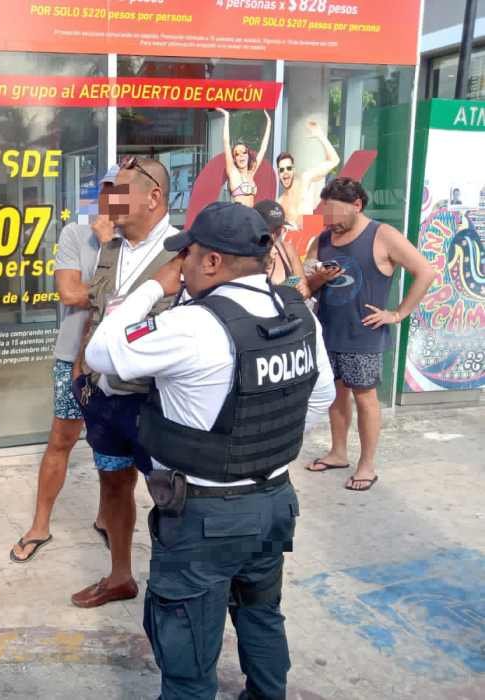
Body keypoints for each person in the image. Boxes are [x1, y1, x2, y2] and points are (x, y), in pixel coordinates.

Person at [85, 201, 336, 699]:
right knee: (261, 616)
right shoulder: (295, 309)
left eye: (188, 256)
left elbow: (101, 351)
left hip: (204, 518)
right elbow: (322, 395)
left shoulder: (194, 326)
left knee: (187, 657)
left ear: (213, 262)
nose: (182, 264)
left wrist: (157, 284)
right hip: (274, 501)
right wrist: (263, 449)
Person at [70, 155, 179, 608]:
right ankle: (119, 577)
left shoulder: (183, 253)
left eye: (120, 189)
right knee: (113, 483)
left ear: (153, 196)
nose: (110, 197)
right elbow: (96, 313)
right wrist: (81, 374)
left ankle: (175, 585)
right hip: (106, 401)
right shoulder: (110, 250)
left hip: (156, 408)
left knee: (171, 497)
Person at [9, 166, 118, 563]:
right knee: (61, 441)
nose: (113, 199)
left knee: (114, 448)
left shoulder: (139, 242)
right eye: (107, 190)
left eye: (121, 191)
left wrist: (109, 272)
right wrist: (112, 286)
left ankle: (107, 518)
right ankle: (40, 524)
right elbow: (70, 293)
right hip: (72, 355)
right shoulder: (76, 234)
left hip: (122, 362)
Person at [306, 177, 435, 491]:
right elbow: (306, 283)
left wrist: (398, 313)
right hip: (328, 331)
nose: (331, 223)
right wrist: (318, 279)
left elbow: (426, 271)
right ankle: (338, 453)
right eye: (328, 216)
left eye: (337, 216)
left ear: (357, 205)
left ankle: (367, 464)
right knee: (336, 396)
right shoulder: (323, 238)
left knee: (365, 399)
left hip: (363, 334)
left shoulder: (383, 235)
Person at [276, 120, 340, 229]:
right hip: (294, 242)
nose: (285, 172)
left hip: (311, 237)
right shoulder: (279, 201)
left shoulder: (306, 179)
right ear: (279, 173)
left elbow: (335, 160)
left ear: (293, 170)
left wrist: (320, 136)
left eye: (288, 168)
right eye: (282, 170)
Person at [253, 199, 308, 296]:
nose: (273, 236)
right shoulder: (246, 254)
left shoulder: (287, 249)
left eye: (278, 231)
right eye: (269, 230)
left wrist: (302, 290)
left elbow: (303, 286)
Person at [217, 108, 271, 207]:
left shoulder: (251, 173)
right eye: (237, 154)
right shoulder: (233, 173)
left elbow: (263, 148)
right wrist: (226, 117)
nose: (241, 156)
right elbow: (226, 143)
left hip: (252, 218)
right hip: (238, 219)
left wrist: (269, 123)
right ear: (234, 159)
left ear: (248, 155)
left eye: (244, 152)